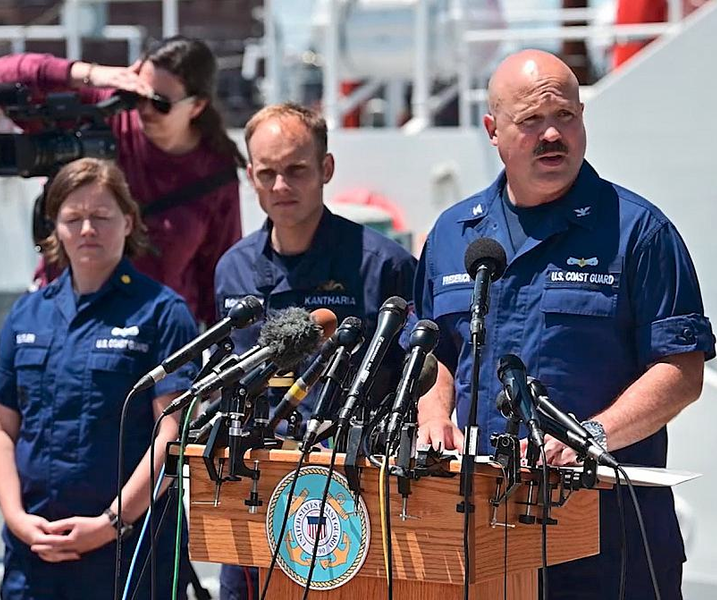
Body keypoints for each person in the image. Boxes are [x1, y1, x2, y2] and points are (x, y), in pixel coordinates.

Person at [414, 50, 715, 599]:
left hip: (607, 536)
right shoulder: (453, 235)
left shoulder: (639, 233)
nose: (552, 134)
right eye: (531, 121)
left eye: (566, 117)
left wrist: (591, 437)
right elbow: (434, 352)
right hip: (477, 532)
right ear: (493, 130)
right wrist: (433, 409)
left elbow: (680, 370)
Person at [214, 102, 417, 599]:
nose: (281, 186)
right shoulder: (232, 270)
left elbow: (417, 375)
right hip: (258, 489)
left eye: (296, 170)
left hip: (350, 497)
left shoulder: (383, 265)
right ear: (250, 177)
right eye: (267, 173)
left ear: (326, 169)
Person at [0, 158, 199, 599]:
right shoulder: (26, 316)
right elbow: (4, 429)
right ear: (55, 228)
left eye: (102, 216)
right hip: (34, 554)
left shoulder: (163, 315)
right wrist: (15, 518)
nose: (87, 228)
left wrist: (111, 523)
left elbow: (175, 432)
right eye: (73, 218)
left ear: (128, 222)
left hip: (130, 553)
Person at [0, 36, 246, 326]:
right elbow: (8, 74)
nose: (144, 109)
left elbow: (220, 280)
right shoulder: (104, 113)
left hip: (156, 336)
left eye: (160, 103)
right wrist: (92, 75)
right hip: (67, 323)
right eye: (137, 94)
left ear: (197, 106)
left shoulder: (214, 173)